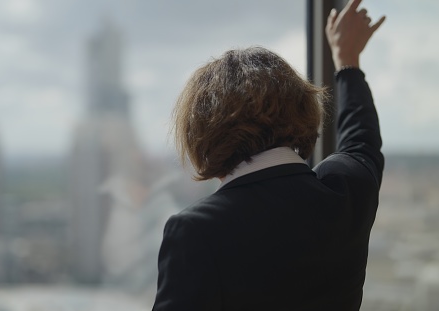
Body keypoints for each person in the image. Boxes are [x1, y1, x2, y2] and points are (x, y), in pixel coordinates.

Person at [152, 0, 386, 310]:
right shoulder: (348, 190)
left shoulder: (197, 231)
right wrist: (348, 61)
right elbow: (362, 139)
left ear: (202, 132)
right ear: (304, 109)